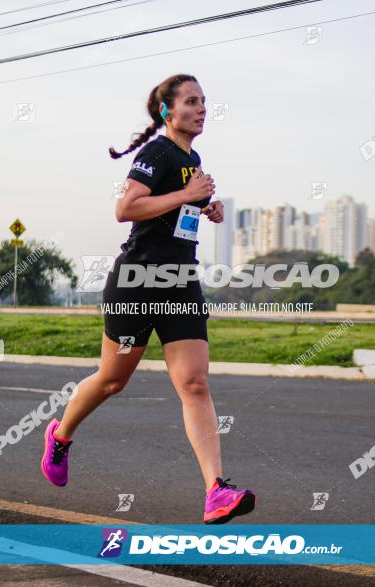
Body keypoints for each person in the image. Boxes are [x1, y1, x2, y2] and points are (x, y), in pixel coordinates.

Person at [41, 73, 255, 524]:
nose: (201, 109)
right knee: (112, 380)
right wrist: (188, 195)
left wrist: (202, 207)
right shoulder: (156, 152)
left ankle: (216, 491)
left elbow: (177, 211)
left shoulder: (192, 158)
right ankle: (60, 436)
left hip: (179, 282)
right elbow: (126, 209)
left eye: (204, 101)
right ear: (167, 111)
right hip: (137, 283)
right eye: (192, 102)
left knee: (194, 383)